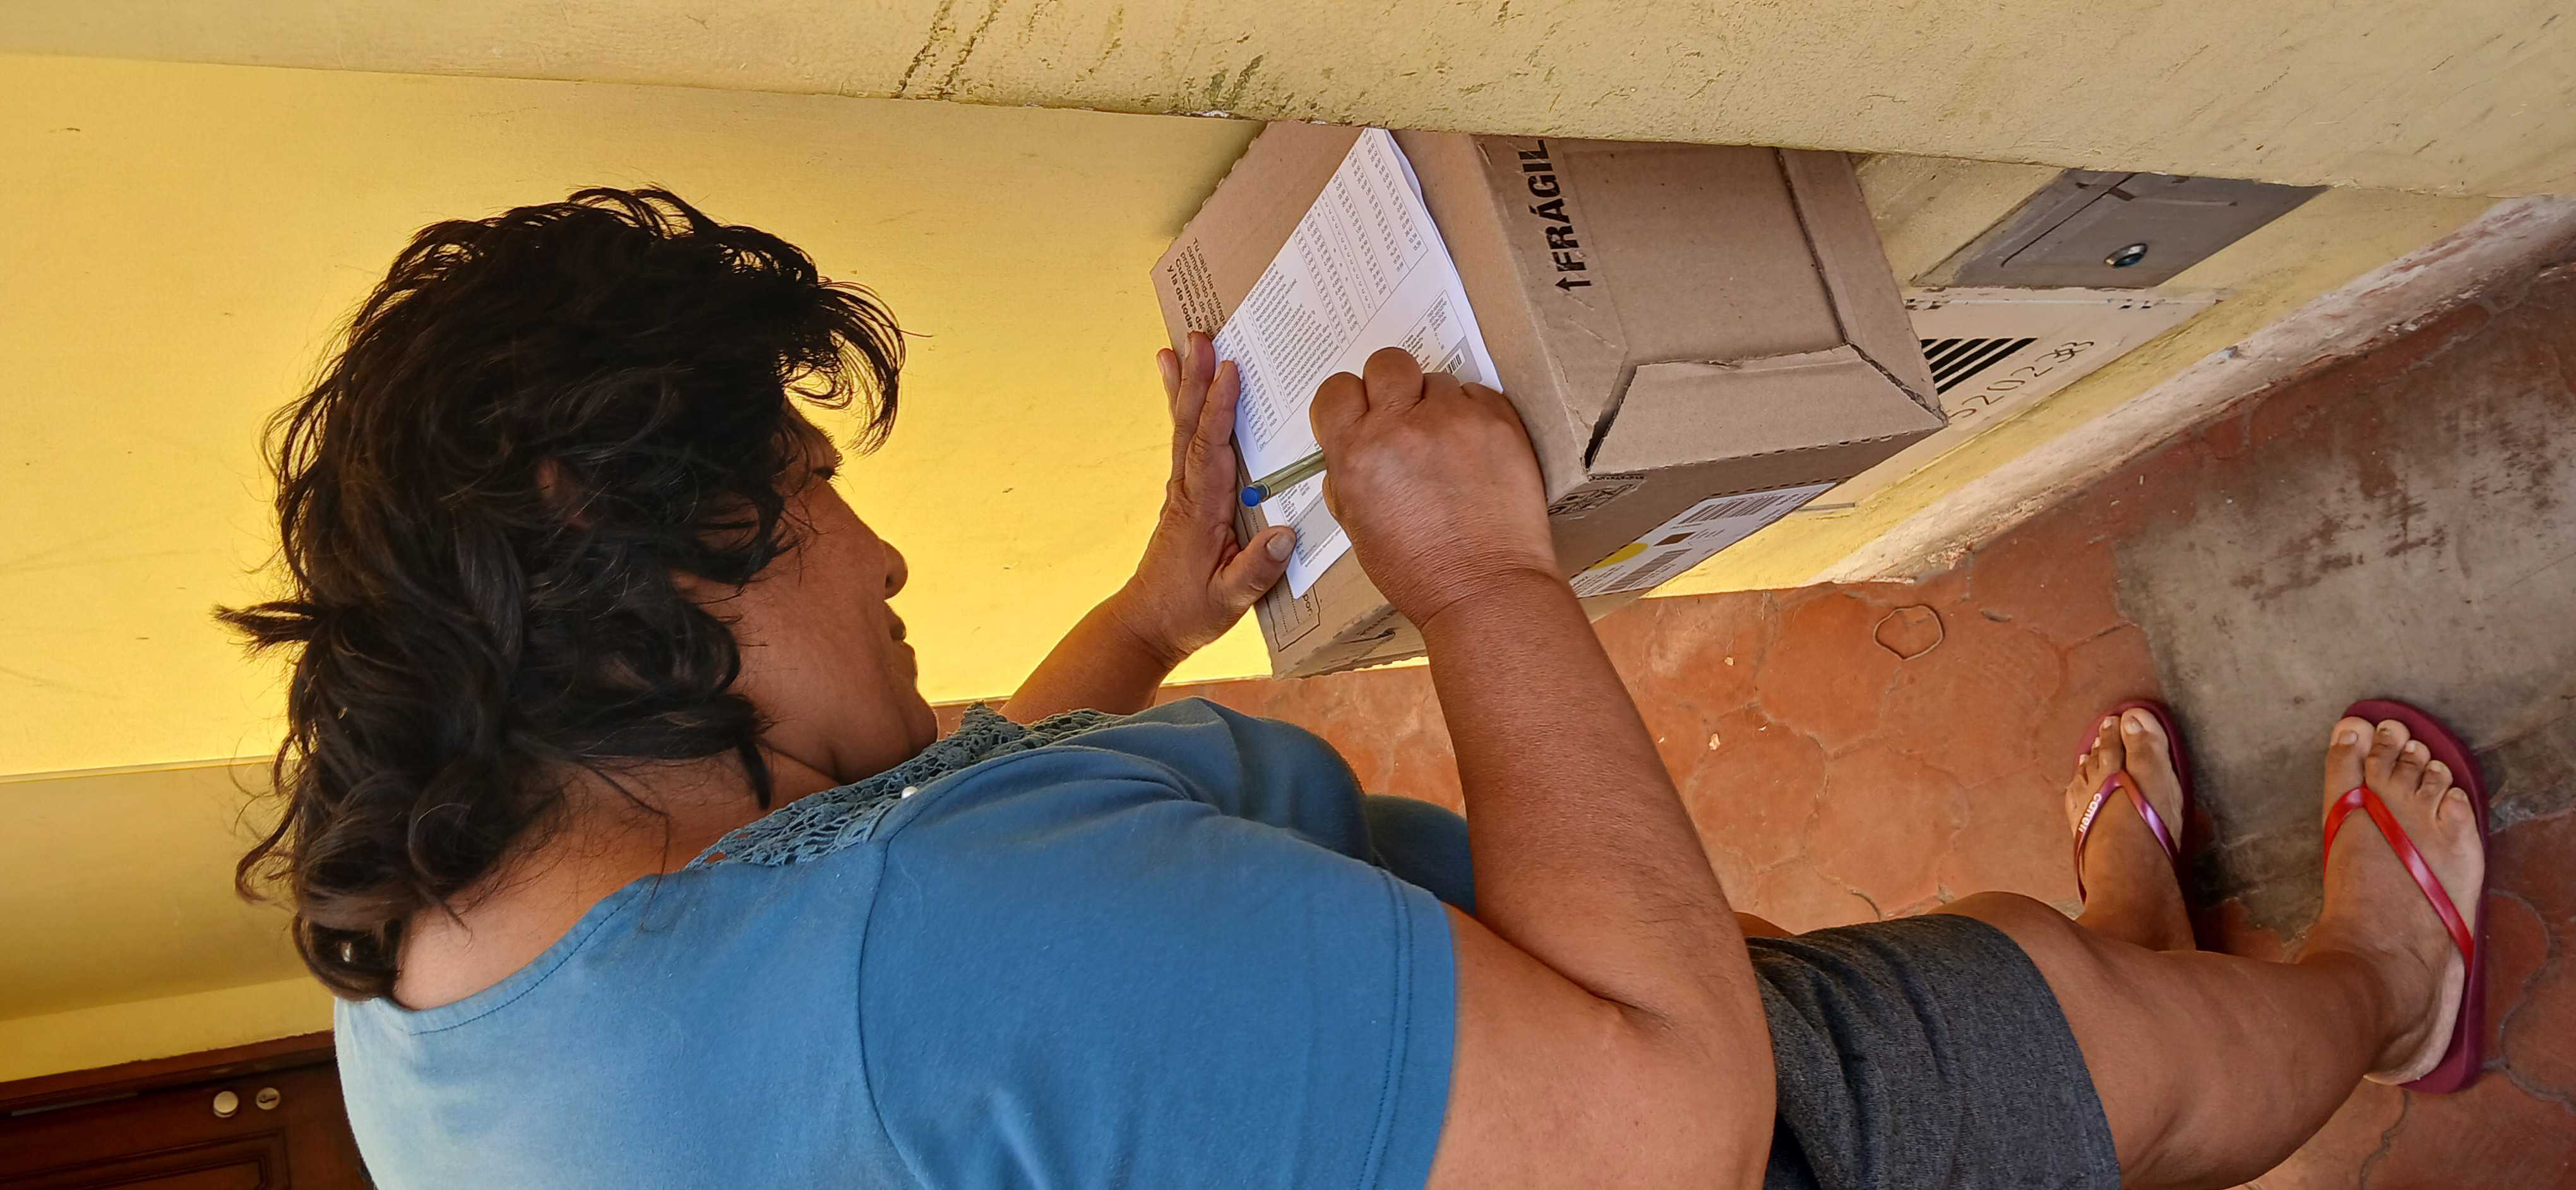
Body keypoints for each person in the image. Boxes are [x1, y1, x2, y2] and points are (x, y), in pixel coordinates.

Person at [226, 188, 2486, 1189]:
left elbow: (896, 878)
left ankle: (2132, 956)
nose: (885, 555)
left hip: (1430, 1061)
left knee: (2003, 977)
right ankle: (2378, 996)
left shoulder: (442, 977)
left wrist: (1148, 616)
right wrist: (1484, 577)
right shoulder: (929, 970)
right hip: (1614, 1121)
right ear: (648, 570)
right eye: (816, 500)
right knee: (2072, 1037)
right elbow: (1669, 1128)